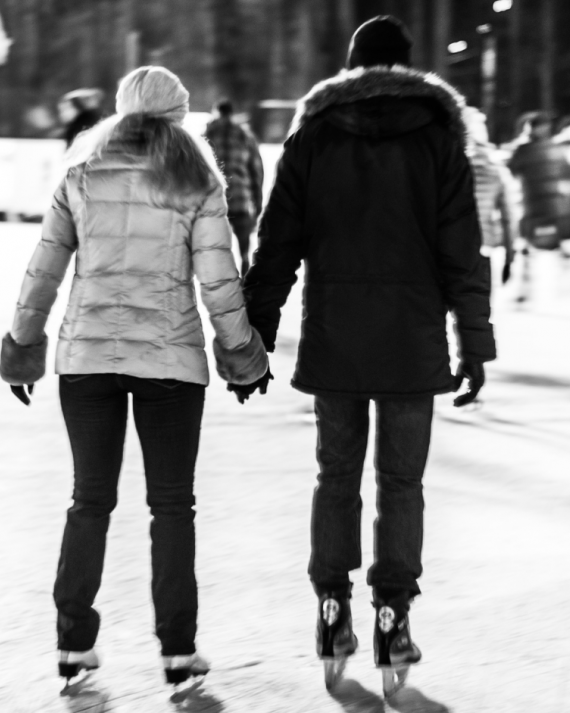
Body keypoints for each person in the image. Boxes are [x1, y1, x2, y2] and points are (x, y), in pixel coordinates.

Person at [239, 16, 495, 696]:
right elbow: (462, 251)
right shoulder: (441, 139)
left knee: (336, 476)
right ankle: (392, 615)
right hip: (412, 338)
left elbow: (277, 243)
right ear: (406, 67)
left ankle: (330, 608)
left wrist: (253, 335)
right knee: (401, 483)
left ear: (352, 69)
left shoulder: (314, 135)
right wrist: (475, 341)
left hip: (337, 334)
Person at [0, 66, 269, 689]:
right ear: (180, 119)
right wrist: (242, 355)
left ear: (119, 115)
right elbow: (219, 282)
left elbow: (43, 269)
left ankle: (73, 645)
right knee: (172, 506)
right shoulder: (198, 182)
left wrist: (23, 344)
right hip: (170, 363)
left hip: (87, 360)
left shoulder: (79, 177)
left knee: (89, 499)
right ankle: (178, 651)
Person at [507, 112, 570, 301]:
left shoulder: (522, 150)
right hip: (554, 206)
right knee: (553, 247)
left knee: (529, 249)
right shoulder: (556, 148)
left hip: (535, 205)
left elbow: (512, 172)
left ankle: (527, 290)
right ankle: (566, 287)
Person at [204, 99, 264, 276]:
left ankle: (222, 284)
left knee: (216, 250)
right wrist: (257, 201)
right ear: (232, 114)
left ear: (216, 112)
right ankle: (244, 282)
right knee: (244, 249)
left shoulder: (207, 134)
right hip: (241, 200)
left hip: (214, 203)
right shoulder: (244, 135)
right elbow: (256, 171)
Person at [464, 107, 514, 285]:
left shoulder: (447, 165)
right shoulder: (496, 167)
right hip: (483, 246)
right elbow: (508, 218)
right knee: (479, 309)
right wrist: (509, 259)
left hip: (449, 249)